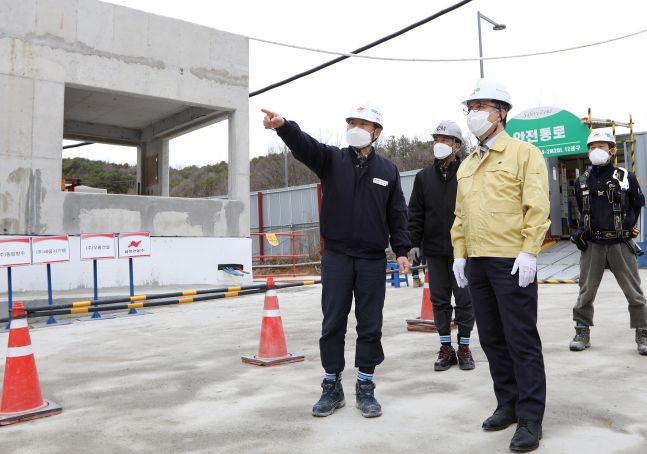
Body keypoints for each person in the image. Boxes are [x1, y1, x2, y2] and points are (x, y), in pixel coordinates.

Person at [261, 103, 411, 419]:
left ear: (377, 132)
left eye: (363, 124)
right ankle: (332, 385)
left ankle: (366, 385)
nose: (355, 128)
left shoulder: (388, 171)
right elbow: (305, 146)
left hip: (371, 260)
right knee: (332, 324)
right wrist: (284, 126)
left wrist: (401, 251)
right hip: (337, 258)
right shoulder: (332, 159)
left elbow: (397, 215)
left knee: (370, 324)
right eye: (351, 123)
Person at [450, 79, 550, 452]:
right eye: (470, 107)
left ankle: (530, 417)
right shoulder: (468, 164)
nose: (475, 114)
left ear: (502, 113)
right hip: (477, 262)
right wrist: (459, 252)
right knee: (491, 338)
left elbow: (537, 206)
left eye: (483, 106)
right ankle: (507, 404)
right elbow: (460, 215)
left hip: (512, 261)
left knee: (520, 339)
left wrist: (529, 251)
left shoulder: (524, 154)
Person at [570, 130, 647, 355]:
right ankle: (581, 330)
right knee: (585, 291)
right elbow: (580, 206)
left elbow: (636, 205)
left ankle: (643, 332)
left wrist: (627, 227)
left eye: (601, 146)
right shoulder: (582, 181)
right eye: (592, 147)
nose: (596, 151)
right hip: (592, 244)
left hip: (621, 244)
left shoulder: (627, 177)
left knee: (634, 291)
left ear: (612, 150)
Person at [408, 120, 475, 372]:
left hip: (463, 252)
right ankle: (446, 347)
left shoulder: (468, 172)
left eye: (445, 140)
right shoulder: (423, 177)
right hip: (435, 251)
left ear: (456, 145)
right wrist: (414, 243)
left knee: (465, 300)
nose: (440, 145)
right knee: (440, 301)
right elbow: (415, 212)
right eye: (436, 140)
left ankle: (464, 346)